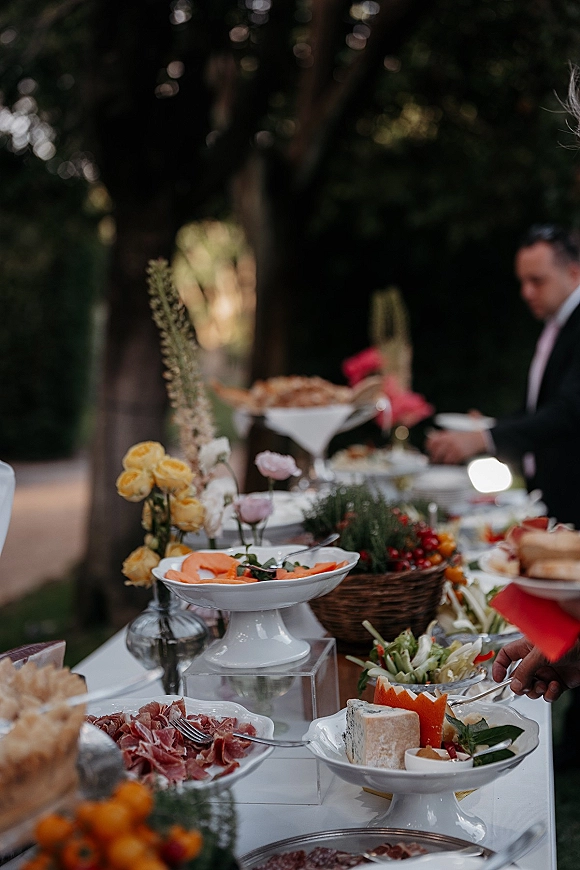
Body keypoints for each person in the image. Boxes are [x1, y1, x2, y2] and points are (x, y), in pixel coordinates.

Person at [426, 224, 580, 529]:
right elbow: (538, 411)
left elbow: (569, 412)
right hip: (552, 496)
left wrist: (484, 438)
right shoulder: (556, 326)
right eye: (522, 281)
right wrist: (491, 427)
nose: (527, 292)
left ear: (574, 273)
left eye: (537, 281)